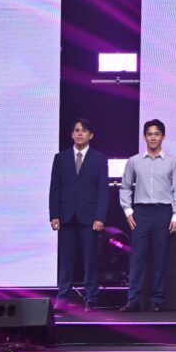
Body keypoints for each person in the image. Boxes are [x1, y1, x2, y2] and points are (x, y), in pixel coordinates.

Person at [119, 120, 176, 312]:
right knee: (137, 257)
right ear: (144, 137)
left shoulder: (173, 161)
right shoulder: (134, 161)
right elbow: (125, 186)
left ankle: (157, 299)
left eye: (157, 134)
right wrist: (128, 210)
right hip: (141, 212)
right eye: (149, 134)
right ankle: (133, 299)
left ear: (163, 137)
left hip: (163, 212)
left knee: (160, 257)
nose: (153, 137)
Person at [49, 119, 109, 312]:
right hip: (66, 217)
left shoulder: (99, 158)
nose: (79, 133)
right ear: (72, 134)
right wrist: (54, 215)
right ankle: (62, 298)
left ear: (91, 135)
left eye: (84, 130)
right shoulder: (61, 158)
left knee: (90, 260)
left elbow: (103, 190)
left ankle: (91, 298)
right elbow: (55, 188)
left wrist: (100, 216)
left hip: (90, 217)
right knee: (66, 260)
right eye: (76, 130)